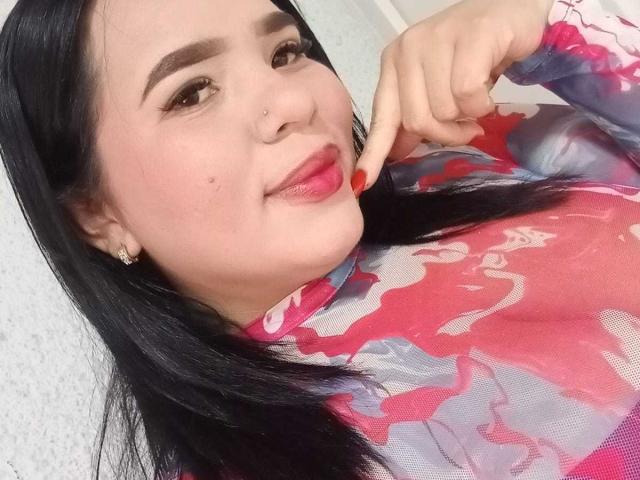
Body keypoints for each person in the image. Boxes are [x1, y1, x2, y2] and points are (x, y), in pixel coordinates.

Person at [0, 0, 638, 479]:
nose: (291, 103)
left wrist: (551, 32)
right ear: (96, 216)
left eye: (285, 52)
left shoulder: (457, 161)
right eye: (192, 92)